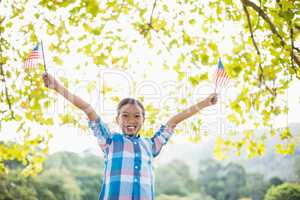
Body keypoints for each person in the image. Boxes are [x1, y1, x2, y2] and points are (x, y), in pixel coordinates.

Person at [42, 72, 218, 200]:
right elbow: (88, 109)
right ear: (117, 119)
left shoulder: (151, 144)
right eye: (125, 115)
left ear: (143, 119)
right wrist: (57, 86)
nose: (131, 120)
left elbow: (173, 122)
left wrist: (204, 103)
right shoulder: (110, 141)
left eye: (137, 116)